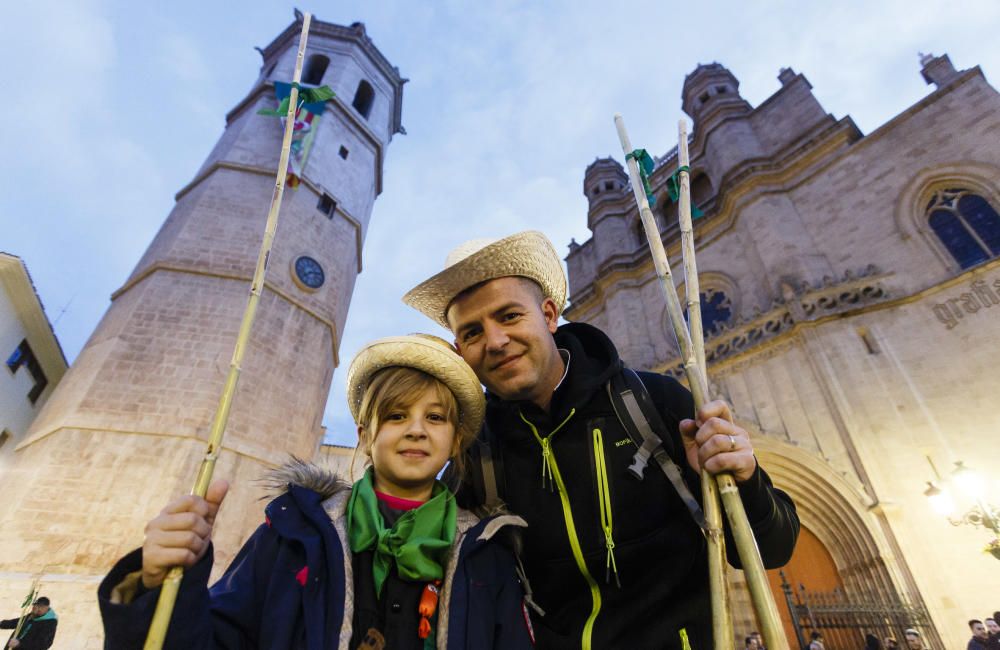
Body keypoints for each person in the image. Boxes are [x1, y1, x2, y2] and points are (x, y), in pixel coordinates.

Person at [404, 230, 800, 648]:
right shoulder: (474, 454)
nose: (496, 342)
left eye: (509, 316)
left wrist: (744, 479)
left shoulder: (654, 403)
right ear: (459, 349)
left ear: (550, 315)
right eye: (472, 332)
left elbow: (773, 548)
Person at [98, 334, 534, 648]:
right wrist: (160, 584)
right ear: (365, 435)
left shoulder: (487, 554)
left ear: (456, 441)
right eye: (397, 415)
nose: (417, 430)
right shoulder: (291, 534)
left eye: (435, 418)